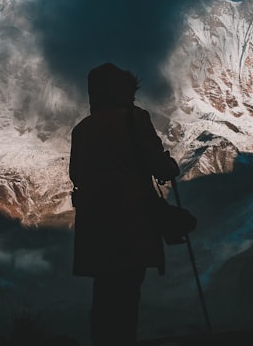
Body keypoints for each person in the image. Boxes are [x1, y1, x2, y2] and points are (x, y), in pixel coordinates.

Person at [69, 62, 180, 346]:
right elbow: (157, 164)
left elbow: (75, 173)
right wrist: (169, 166)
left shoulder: (82, 129)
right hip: (132, 220)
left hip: (95, 224)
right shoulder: (135, 119)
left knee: (105, 289)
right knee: (128, 289)